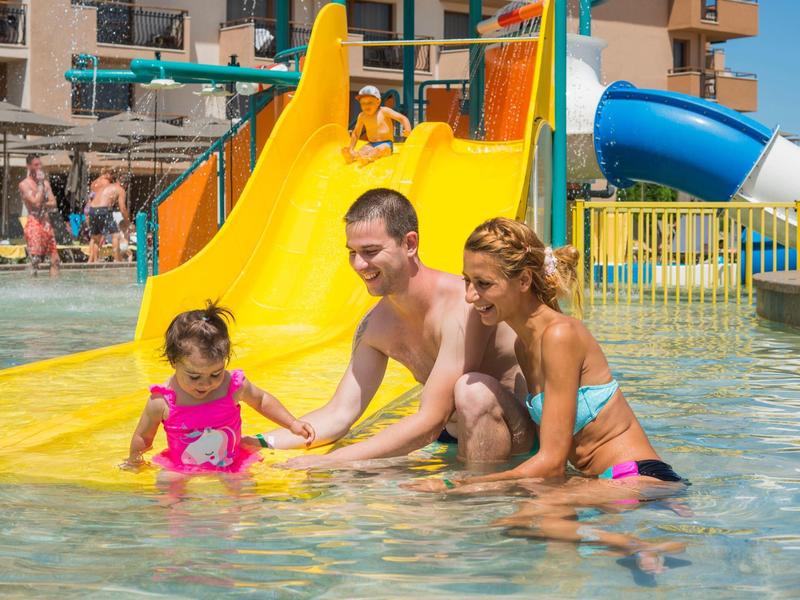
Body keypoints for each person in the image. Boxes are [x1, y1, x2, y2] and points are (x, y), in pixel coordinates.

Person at [404, 218, 687, 572]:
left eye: (483, 284)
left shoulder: (559, 336)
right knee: (532, 523)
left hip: (640, 478)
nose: (470, 296)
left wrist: (460, 485)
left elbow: (552, 461)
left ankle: (636, 546)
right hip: (602, 481)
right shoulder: (526, 346)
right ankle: (636, 547)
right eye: (467, 281)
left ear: (523, 281)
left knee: (513, 521)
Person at [252, 188, 535, 469]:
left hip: (519, 437)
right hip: (455, 437)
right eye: (352, 252)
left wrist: (331, 461)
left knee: (471, 391)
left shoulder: (463, 306)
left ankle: (482, 502)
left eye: (371, 251)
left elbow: (430, 421)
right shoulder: (375, 325)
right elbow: (339, 414)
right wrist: (257, 442)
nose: (360, 264)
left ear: (410, 244)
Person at [123, 301, 316, 476]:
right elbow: (143, 436)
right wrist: (134, 461)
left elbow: (261, 401)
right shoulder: (163, 401)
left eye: (215, 374)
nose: (205, 384)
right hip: (181, 466)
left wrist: (292, 423)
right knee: (166, 484)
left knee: (245, 487)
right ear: (174, 362)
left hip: (230, 462)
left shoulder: (232, 386)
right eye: (194, 376)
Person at [342, 85, 412, 166]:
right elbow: (356, 133)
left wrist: (408, 129)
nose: (366, 106)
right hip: (371, 143)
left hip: (386, 143)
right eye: (363, 103)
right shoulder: (362, 116)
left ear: (378, 102)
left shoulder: (384, 111)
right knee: (362, 151)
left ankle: (368, 158)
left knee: (379, 150)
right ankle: (353, 157)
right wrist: (351, 148)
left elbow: (402, 118)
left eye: (369, 103)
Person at [18, 154, 60, 276]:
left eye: (40, 164)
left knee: (55, 260)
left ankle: (55, 290)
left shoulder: (46, 183)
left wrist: (44, 203)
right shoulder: (24, 184)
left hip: (46, 223)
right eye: (36, 165)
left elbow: (54, 203)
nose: (39, 167)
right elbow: (35, 204)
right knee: (35, 260)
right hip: (34, 223)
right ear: (28, 166)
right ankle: (32, 289)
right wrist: (41, 185)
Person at [87, 168, 129, 262]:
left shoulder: (105, 185)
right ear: (125, 185)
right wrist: (127, 221)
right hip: (103, 210)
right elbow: (123, 208)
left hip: (92, 210)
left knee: (95, 237)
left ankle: (93, 262)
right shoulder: (120, 190)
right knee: (116, 235)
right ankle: (117, 261)